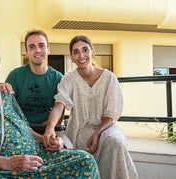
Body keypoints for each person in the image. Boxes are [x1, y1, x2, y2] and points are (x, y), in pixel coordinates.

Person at [0, 43, 100, 178]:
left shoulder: (5, 95)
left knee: (85, 161)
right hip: (0, 168)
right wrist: (8, 163)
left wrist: (47, 140)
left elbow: (25, 128)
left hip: (38, 157)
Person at [42, 35, 139, 179]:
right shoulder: (68, 79)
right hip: (79, 131)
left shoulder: (109, 78)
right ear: (71, 57)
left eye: (85, 50)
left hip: (105, 128)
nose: (81, 55)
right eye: (76, 52)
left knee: (116, 142)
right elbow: (59, 104)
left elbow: (111, 114)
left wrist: (98, 133)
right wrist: (50, 128)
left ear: (93, 52)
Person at [0, 29, 63, 126]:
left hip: (46, 128)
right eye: (32, 47)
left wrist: (48, 127)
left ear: (48, 49)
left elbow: (60, 110)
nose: (37, 50)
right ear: (26, 52)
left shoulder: (58, 78)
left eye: (41, 45)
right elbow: (7, 109)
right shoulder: (15, 75)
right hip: (19, 129)